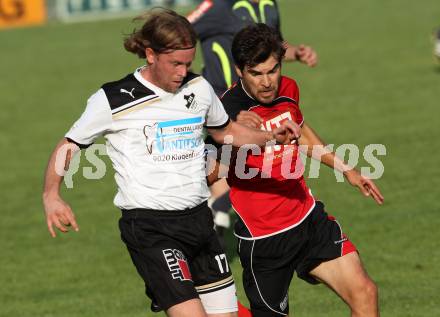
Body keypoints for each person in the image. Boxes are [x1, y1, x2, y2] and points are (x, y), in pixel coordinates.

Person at [42, 9, 300, 317]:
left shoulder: (199, 89)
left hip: (199, 222)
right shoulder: (114, 98)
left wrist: (271, 137)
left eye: (188, 63)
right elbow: (70, 144)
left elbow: (227, 132)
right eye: (175, 63)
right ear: (150, 55)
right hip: (150, 227)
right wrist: (52, 194)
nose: (182, 72)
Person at [208, 23, 384, 317]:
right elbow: (211, 173)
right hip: (264, 240)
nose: (267, 82)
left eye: (272, 70)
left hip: (308, 218)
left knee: (365, 293)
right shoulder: (225, 112)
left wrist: (347, 169)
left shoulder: (288, 89)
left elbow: (301, 134)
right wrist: (239, 140)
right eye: (256, 73)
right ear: (240, 71)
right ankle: (209, 307)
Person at [187, 0, 318, 238]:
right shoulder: (218, 6)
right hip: (222, 98)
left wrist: (296, 52)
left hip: (255, 97)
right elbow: (181, 33)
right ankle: (207, 210)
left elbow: (273, 47)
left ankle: (215, 210)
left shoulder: (270, 4)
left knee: (247, 161)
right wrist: (184, 76)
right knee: (232, 158)